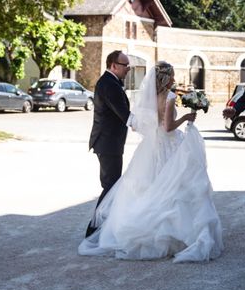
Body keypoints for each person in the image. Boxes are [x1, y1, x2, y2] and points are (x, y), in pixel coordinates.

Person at [78, 61, 224, 262]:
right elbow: (167, 127)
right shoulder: (170, 96)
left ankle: (143, 231)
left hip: (152, 146)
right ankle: (175, 235)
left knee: (151, 187)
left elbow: (150, 124)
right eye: (172, 75)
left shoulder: (152, 97)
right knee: (174, 187)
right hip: (168, 144)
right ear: (167, 77)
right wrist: (187, 118)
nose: (174, 78)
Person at [85, 50, 132, 237]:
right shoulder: (109, 84)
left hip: (109, 143)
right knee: (111, 186)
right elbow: (124, 114)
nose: (128, 69)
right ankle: (94, 229)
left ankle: (102, 227)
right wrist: (146, 125)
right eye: (125, 65)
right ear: (114, 65)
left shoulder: (111, 82)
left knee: (111, 185)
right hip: (108, 143)